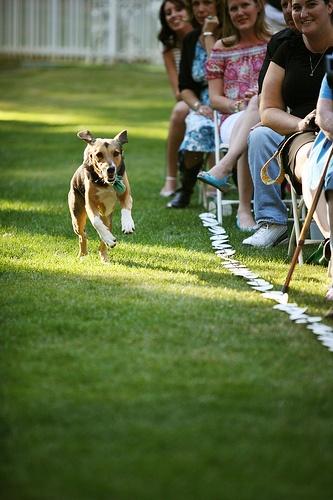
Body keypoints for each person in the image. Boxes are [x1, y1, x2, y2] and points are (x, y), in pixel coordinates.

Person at [242, 0, 333, 248]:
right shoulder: (286, 46)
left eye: (311, 4)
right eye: (296, 7)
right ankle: (276, 223)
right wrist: (301, 124)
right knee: (265, 138)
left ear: (330, 6)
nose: (302, 14)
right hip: (305, 131)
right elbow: (268, 110)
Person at [196, 0, 271, 230]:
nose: (239, 12)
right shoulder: (222, 47)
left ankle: (224, 167)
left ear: (258, 6)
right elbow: (215, 99)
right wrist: (241, 105)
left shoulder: (275, 42)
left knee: (258, 105)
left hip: (271, 113)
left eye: (245, 5)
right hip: (233, 117)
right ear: (228, 14)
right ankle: (244, 209)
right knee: (250, 127)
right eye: (233, 8)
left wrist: (260, 97)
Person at [167, 0, 223, 209]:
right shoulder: (191, 39)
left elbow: (217, 72)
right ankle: (186, 187)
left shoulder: (230, 36)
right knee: (197, 127)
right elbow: (185, 87)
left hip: (229, 99)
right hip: (202, 102)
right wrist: (199, 107)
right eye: (196, 4)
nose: (201, 9)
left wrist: (209, 36)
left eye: (207, 3)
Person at [158, 0, 193, 197]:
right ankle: (171, 178)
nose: (173, 15)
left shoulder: (207, 38)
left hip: (214, 95)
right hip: (187, 98)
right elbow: (178, 91)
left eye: (179, 9)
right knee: (179, 111)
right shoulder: (169, 49)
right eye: (168, 13)